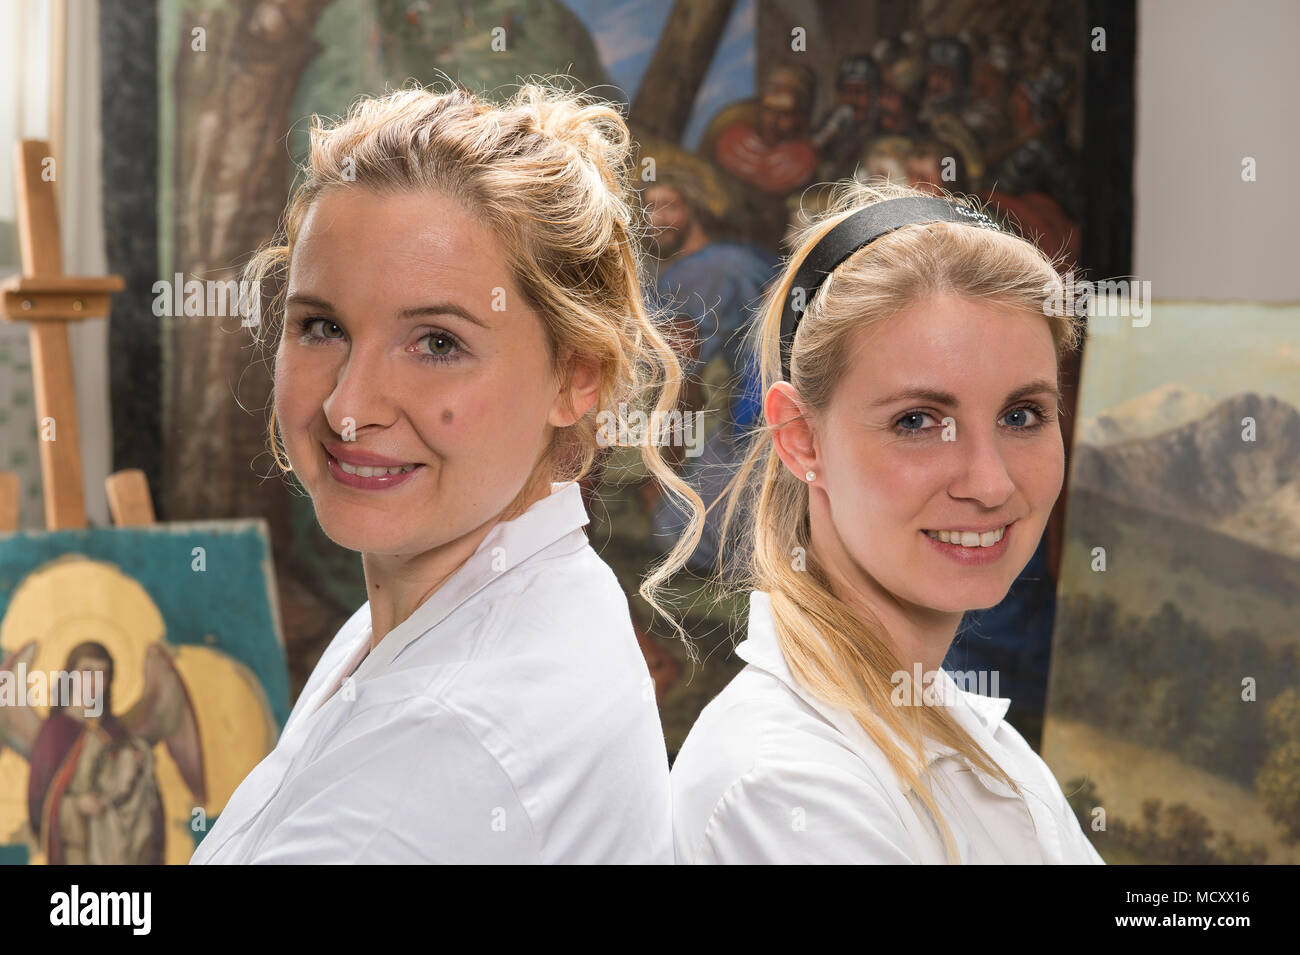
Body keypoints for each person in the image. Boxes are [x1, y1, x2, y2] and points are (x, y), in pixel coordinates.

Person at [189, 80, 702, 864]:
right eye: (322, 326)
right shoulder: (457, 596)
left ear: (578, 376)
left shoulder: (452, 736)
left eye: (436, 342)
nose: (349, 408)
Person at [662, 180, 1104, 864]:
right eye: (918, 421)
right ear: (801, 438)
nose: (990, 483)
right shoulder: (786, 787)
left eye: (1022, 416)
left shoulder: (974, 734)